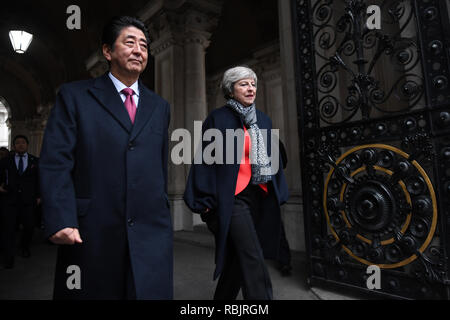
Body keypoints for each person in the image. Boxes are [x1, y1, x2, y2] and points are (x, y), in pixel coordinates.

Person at [39, 16, 172, 299]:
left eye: (145, 45)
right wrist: (60, 216)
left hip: (150, 231)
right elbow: (56, 161)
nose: (139, 50)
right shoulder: (75, 97)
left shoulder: (159, 106)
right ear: (107, 51)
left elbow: (159, 165)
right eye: (130, 42)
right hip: (92, 230)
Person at [184, 66, 289, 300]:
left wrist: (277, 189)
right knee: (253, 254)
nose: (250, 88)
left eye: (253, 83)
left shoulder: (263, 119)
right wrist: (207, 201)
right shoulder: (218, 119)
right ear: (230, 90)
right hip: (232, 199)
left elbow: (275, 157)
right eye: (243, 84)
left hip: (259, 195)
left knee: (238, 257)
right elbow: (205, 161)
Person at [0, 135, 40, 269]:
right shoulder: (6, 161)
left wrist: (39, 195)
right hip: (10, 200)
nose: (21, 145)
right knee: (9, 229)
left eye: (23, 142)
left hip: (28, 200)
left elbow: (39, 180)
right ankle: (8, 256)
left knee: (29, 226)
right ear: (14, 146)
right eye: (17, 143)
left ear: (27, 145)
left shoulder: (35, 161)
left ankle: (24, 247)